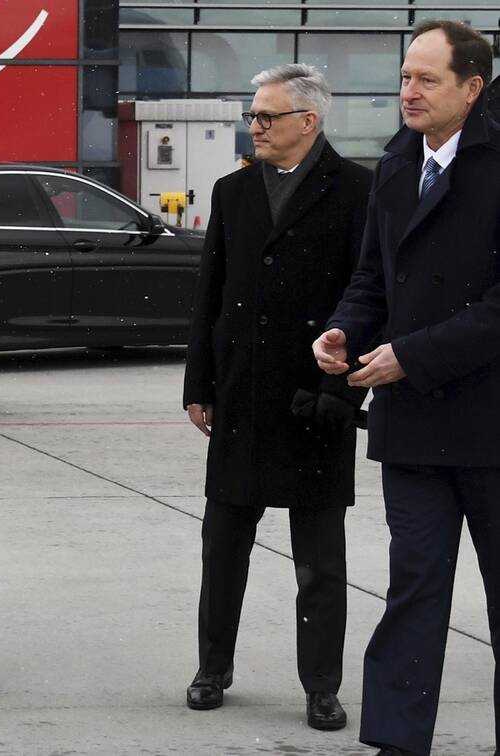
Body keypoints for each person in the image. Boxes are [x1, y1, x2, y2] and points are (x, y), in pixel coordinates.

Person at [314, 20, 500, 756]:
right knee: (414, 591)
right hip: (415, 430)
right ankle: (397, 743)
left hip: (492, 426)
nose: (408, 92)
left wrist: (412, 357)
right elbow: (372, 278)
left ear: (473, 88)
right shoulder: (395, 166)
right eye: (404, 77)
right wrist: (343, 331)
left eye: (427, 79)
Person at [183, 64, 372, 729]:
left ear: (307, 121)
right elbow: (210, 294)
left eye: (266, 116)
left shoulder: (357, 191)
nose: (254, 126)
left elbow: (366, 295)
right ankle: (213, 668)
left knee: (319, 561)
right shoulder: (233, 191)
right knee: (223, 546)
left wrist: (340, 391)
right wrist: (200, 385)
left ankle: (321, 685)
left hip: (314, 400)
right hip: (241, 395)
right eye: (253, 115)